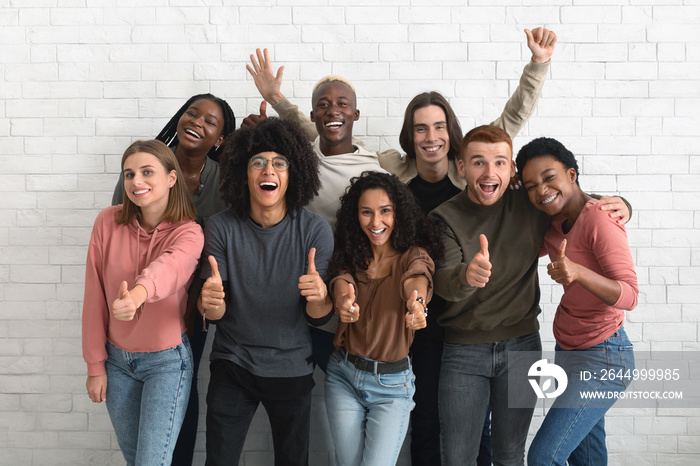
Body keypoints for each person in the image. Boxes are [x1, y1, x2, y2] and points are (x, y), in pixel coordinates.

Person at [429, 125, 632, 466]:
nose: (489, 172)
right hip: (463, 353)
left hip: (522, 347)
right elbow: (445, 281)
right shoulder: (443, 217)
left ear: (511, 171)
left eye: (499, 163)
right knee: (457, 457)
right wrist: (467, 275)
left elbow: (575, 202)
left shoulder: (531, 204)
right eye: (478, 162)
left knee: (512, 455)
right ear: (462, 168)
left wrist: (623, 204)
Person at [198, 117, 334, 466]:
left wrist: (319, 298)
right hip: (233, 364)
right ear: (243, 173)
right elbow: (215, 312)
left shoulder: (314, 231)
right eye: (257, 162)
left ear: (293, 174)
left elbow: (317, 318)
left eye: (279, 163)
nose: (267, 170)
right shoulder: (220, 227)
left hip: (292, 366)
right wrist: (208, 304)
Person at [111, 93, 236, 466]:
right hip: (138, 299)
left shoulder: (223, 181)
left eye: (210, 121)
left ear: (220, 139)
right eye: (191, 113)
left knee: (183, 388)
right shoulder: (144, 167)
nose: (197, 121)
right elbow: (120, 233)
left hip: (193, 303)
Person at [516, 137, 638, 466]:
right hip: (570, 353)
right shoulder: (554, 222)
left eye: (548, 177)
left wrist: (578, 273)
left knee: (544, 456)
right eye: (530, 185)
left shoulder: (600, 218)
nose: (541, 190)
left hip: (604, 359)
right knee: (586, 456)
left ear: (571, 174)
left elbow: (629, 294)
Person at [82, 140, 205, 466]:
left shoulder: (189, 232)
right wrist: (95, 365)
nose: (136, 182)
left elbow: (169, 268)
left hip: (166, 363)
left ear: (171, 178)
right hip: (116, 363)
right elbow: (94, 295)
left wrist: (137, 295)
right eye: (129, 174)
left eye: (147, 172)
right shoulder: (107, 221)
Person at [326, 171, 442, 466]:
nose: (376, 222)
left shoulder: (413, 255)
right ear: (356, 216)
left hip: (392, 386)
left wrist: (417, 305)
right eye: (366, 212)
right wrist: (343, 301)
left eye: (385, 211)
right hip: (344, 375)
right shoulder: (352, 253)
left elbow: (417, 280)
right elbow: (342, 281)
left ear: (399, 213)